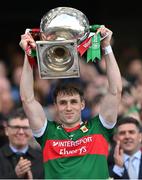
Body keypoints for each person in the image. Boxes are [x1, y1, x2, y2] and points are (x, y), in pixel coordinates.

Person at [19, 24, 122, 179]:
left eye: (73, 102)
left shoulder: (99, 128)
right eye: (63, 102)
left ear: (82, 105)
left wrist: (106, 47)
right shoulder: (47, 132)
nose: (68, 107)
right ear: (55, 106)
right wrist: (28, 55)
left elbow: (115, 91)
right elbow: (27, 99)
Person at [0, 108, 44, 179]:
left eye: (25, 128)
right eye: (16, 127)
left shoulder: (42, 159)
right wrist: (15, 175)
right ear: (6, 130)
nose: (21, 132)